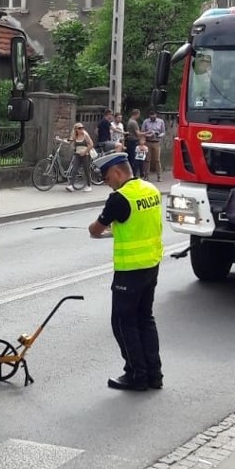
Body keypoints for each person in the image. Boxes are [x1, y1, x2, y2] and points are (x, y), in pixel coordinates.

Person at [88, 152, 164, 392]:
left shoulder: (119, 199)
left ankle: (136, 374)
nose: (107, 182)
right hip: (151, 264)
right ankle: (154, 374)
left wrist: (98, 229)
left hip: (129, 270)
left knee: (122, 322)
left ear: (118, 173)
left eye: (107, 177)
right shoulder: (151, 189)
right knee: (145, 319)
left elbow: (95, 230)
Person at [66, 120, 95, 191]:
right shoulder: (75, 136)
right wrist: (60, 140)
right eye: (79, 128)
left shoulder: (86, 135)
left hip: (86, 155)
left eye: (82, 128)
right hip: (77, 155)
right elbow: (69, 141)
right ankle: (71, 185)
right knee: (74, 169)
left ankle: (89, 185)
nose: (81, 129)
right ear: (76, 129)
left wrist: (85, 152)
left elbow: (91, 144)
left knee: (86, 170)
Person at [141, 109, 165, 183]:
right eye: (151, 116)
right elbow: (142, 131)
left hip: (156, 142)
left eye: (154, 116)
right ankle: (146, 176)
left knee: (157, 160)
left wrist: (158, 135)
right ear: (149, 116)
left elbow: (163, 132)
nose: (152, 117)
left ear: (156, 115)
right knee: (147, 159)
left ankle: (159, 176)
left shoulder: (160, 121)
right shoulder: (146, 121)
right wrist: (148, 134)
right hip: (148, 142)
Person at [125, 108, 142, 176]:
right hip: (133, 141)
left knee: (131, 158)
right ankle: (133, 174)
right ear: (137, 114)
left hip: (130, 141)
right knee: (134, 159)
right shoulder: (134, 122)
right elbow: (138, 133)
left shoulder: (129, 121)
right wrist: (147, 133)